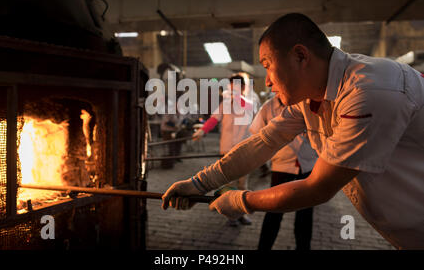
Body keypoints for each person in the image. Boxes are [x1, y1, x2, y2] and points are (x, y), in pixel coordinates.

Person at [161, 13, 424, 249]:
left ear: (300, 56)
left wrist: (242, 201)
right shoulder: (311, 96)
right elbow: (265, 140)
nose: (266, 80)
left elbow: (318, 188)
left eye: (267, 64)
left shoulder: (369, 92)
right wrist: (199, 183)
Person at [250, 96, 318, 250]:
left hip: (307, 163)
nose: (271, 85)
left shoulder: (308, 102)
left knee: (305, 214)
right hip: (282, 165)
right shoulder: (269, 107)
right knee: (274, 211)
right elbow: (256, 131)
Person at [192, 73, 254, 226]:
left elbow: (246, 106)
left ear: (244, 88)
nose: (232, 92)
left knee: (242, 185)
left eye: (236, 89)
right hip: (226, 149)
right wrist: (202, 131)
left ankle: (241, 214)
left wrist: (236, 97)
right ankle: (231, 216)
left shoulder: (250, 103)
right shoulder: (225, 105)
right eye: (231, 88)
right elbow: (214, 119)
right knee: (230, 185)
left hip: (245, 150)